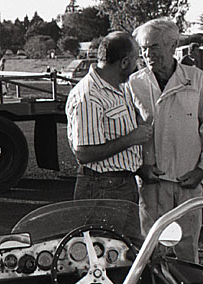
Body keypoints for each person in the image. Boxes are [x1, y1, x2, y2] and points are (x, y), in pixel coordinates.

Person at [127, 18, 203, 262]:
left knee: (187, 254)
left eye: (154, 47)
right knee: (150, 254)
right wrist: (140, 167)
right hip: (151, 184)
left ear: (172, 46)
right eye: (144, 48)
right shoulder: (134, 83)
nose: (148, 54)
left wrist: (202, 169)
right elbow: (126, 131)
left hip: (187, 183)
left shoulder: (196, 79)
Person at [65, 31, 153, 202]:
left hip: (120, 183)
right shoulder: (89, 96)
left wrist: (139, 168)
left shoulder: (119, 87)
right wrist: (132, 138)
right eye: (136, 59)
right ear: (124, 62)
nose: (137, 65)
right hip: (102, 186)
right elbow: (84, 153)